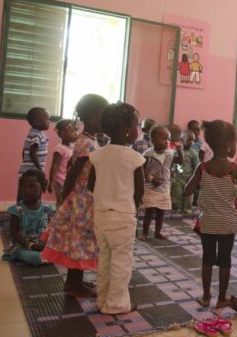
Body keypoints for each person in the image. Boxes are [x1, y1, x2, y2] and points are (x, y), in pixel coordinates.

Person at [41, 94, 109, 297]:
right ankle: (73, 284)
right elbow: (73, 172)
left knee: (80, 241)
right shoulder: (86, 143)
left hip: (85, 198)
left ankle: (75, 281)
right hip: (81, 200)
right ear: (96, 116)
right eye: (104, 117)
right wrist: (65, 197)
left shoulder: (90, 140)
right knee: (79, 240)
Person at [88, 102, 145, 315]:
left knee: (104, 259)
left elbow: (91, 185)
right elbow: (139, 192)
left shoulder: (97, 155)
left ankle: (102, 299)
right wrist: (133, 208)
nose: (138, 130)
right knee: (122, 262)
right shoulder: (135, 158)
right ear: (127, 130)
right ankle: (117, 304)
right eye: (137, 125)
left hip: (100, 216)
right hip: (122, 217)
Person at [184, 120, 237, 309]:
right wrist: (235, 189)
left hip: (208, 222)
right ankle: (221, 299)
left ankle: (205, 297)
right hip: (228, 223)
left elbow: (187, 191)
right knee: (225, 260)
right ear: (228, 145)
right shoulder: (235, 169)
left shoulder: (202, 168)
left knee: (207, 258)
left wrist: (202, 186)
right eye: (235, 142)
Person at [140, 125, 184, 240]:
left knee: (161, 211)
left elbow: (180, 161)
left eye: (168, 139)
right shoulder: (148, 154)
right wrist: (151, 179)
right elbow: (142, 169)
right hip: (150, 186)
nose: (167, 142)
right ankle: (144, 233)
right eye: (164, 139)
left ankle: (157, 232)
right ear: (153, 140)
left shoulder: (168, 153)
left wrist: (179, 150)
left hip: (164, 186)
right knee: (149, 211)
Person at [3, 169, 54, 266]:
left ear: (43, 188)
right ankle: (43, 258)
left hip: (41, 244)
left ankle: (48, 257)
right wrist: (29, 245)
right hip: (22, 246)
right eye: (23, 186)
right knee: (34, 257)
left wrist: (47, 243)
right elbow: (13, 233)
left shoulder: (47, 208)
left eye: (31, 186)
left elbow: (51, 229)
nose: (26, 190)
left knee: (63, 251)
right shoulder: (17, 210)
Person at [48, 119, 77, 206]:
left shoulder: (74, 147)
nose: (75, 134)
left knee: (69, 202)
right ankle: (59, 217)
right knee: (61, 202)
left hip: (69, 180)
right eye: (72, 131)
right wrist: (51, 181)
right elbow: (55, 165)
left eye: (75, 131)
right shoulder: (59, 148)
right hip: (60, 181)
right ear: (62, 134)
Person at [171, 129, 200, 213]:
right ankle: (177, 210)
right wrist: (172, 171)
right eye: (189, 140)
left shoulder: (193, 153)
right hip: (177, 178)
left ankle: (187, 210)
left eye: (193, 141)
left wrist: (194, 179)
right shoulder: (176, 151)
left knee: (188, 196)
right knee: (177, 195)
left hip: (189, 178)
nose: (191, 142)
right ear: (182, 139)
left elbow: (196, 166)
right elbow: (172, 163)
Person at [19, 107, 50, 180]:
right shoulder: (36, 135)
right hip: (32, 174)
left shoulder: (33, 134)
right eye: (47, 119)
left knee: (24, 191)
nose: (49, 122)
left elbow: (24, 152)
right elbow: (32, 153)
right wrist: (39, 169)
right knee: (33, 190)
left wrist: (26, 163)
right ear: (37, 122)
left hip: (27, 171)